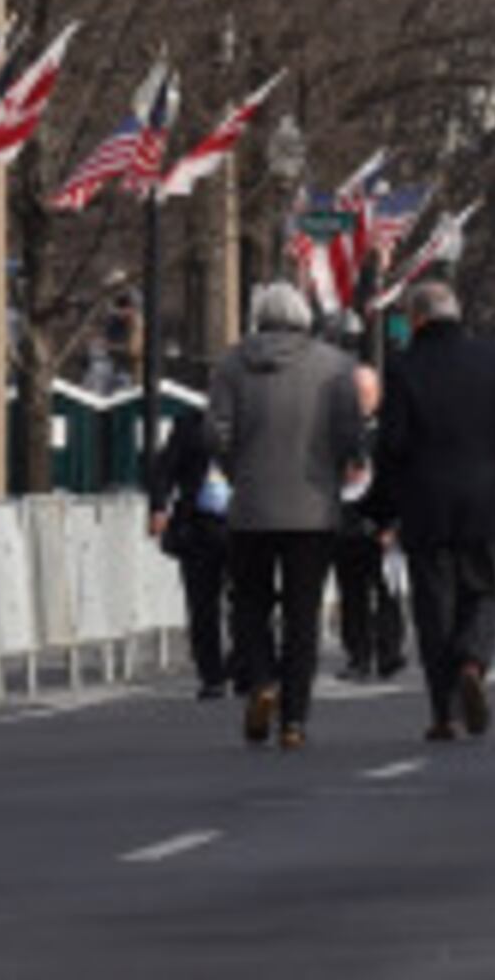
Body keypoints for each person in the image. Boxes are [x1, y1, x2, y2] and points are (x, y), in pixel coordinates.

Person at [209, 281, 366, 751]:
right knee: (303, 614)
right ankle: (294, 717)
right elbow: (351, 436)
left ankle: (261, 681)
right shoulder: (335, 367)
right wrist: (336, 470)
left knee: (249, 605)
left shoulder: (231, 365)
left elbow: (216, 434)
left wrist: (239, 470)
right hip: (313, 507)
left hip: (252, 505)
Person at [373, 281, 495, 741]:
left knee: (433, 607)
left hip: (425, 503)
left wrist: (385, 508)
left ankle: (445, 712)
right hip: (483, 496)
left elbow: (393, 445)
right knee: (483, 593)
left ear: (417, 318)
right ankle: (473, 661)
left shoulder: (403, 367)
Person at [144, 386, 233, 699]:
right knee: (202, 604)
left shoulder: (254, 427)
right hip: (199, 526)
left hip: (243, 526)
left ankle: (244, 662)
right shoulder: (189, 427)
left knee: (248, 601)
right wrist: (158, 507)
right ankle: (212, 675)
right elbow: (164, 470)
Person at [330, 360, 407, 682]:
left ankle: (390, 652)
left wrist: (395, 523)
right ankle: (357, 655)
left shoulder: (389, 432)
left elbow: (402, 476)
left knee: (386, 590)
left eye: (367, 393)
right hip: (345, 521)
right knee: (352, 593)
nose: (361, 399)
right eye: (356, 393)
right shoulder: (334, 432)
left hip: (381, 522)